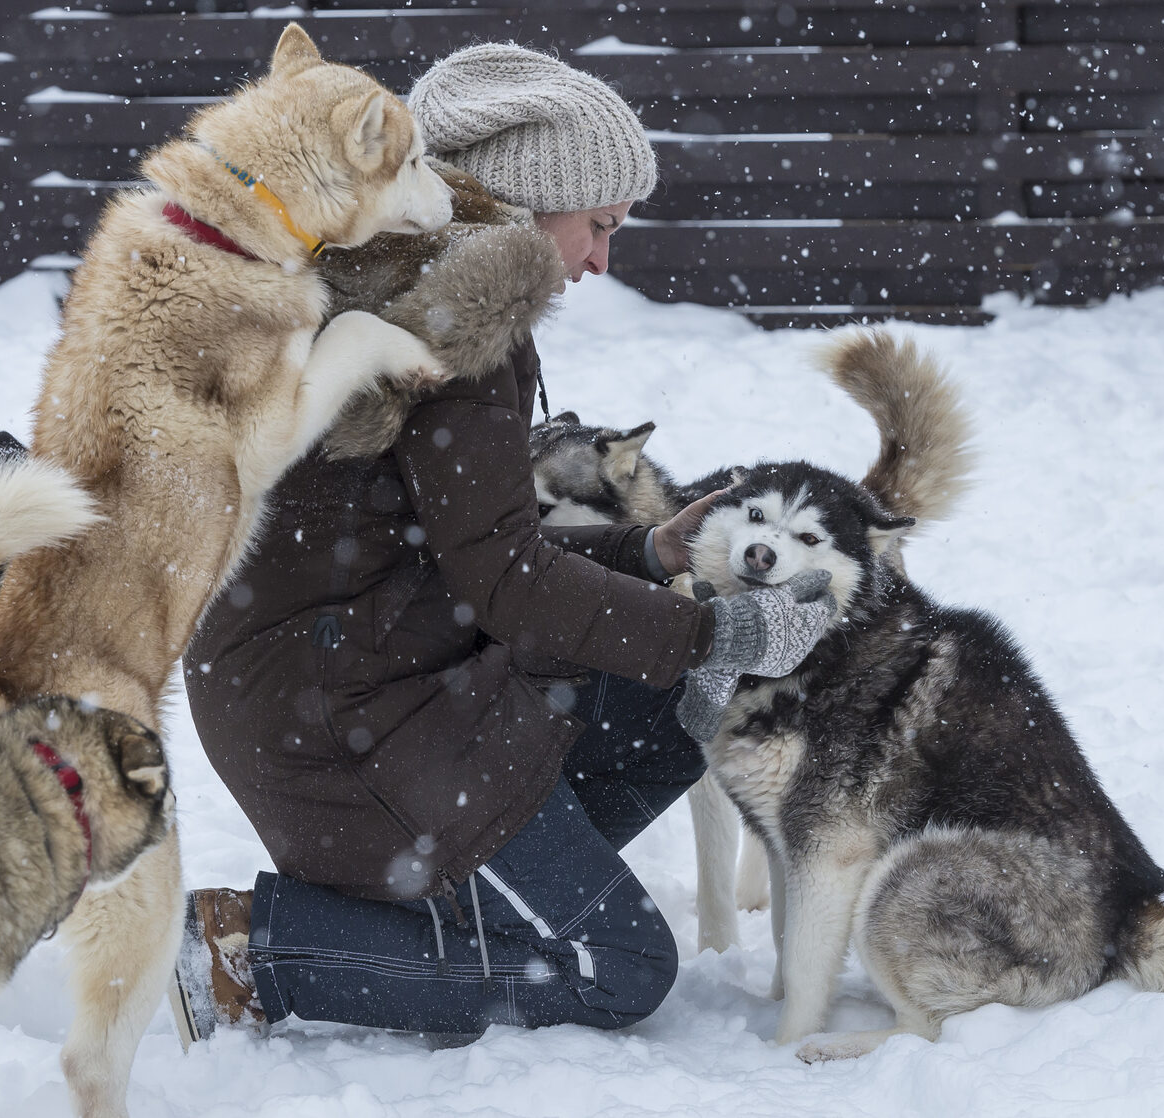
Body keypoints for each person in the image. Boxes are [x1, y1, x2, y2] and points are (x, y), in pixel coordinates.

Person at [170, 42, 832, 1044]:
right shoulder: (465, 325)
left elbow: (475, 547)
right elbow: (507, 582)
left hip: (349, 681)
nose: (604, 260)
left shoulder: (414, 281)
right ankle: (261, 949)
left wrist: (647, 553)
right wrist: (719, 636)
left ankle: (450, 907)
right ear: (531, 202)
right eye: (600, 225)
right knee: (619, 967)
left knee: (665, 711)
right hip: (347, 723)